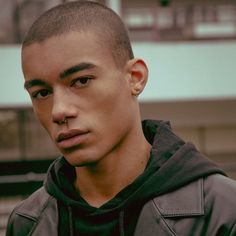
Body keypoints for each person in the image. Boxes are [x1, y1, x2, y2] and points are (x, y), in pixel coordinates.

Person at [6, 1, 236, 235]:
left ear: (135, 77)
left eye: (81, 81)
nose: (59, 111)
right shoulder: (27, 222)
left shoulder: (223, 212)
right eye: (42, 93)